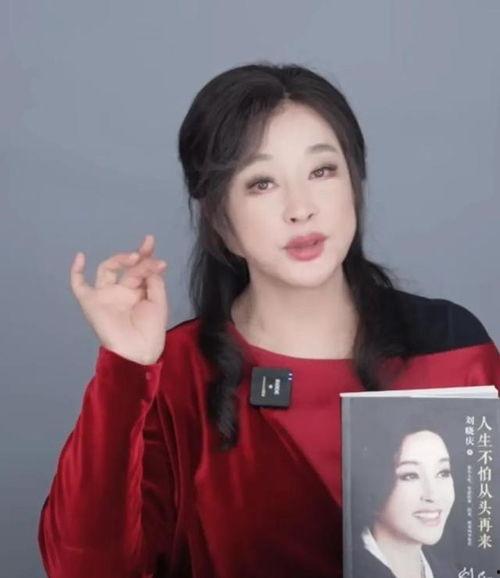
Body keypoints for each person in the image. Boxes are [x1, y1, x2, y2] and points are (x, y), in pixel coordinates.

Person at [37, 62, 499, 578]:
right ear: (220, 219)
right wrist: (126, 369)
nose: (300, 208)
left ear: (354, 183)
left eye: (322, 171)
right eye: (261, 183)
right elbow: (84, 569)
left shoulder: (454, 349)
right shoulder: (177, 375)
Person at [350, 413, 460, 578]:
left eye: (443, 472)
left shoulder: (448, 572)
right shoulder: (348, 567)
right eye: (410, 476)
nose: (433, 495)